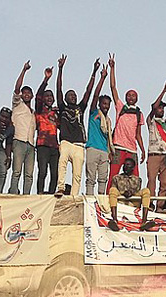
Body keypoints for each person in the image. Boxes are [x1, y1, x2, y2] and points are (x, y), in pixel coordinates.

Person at [54, 56, 98, 197]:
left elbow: (88, 92)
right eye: (70, 95)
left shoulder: (80, 108)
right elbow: (59, 89)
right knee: (62, 165)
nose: (73, 97)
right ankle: (60, 188)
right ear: (66, 99)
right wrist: (60, 69)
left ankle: (74, 195)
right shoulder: (62, 107)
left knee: (77, 173)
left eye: (74, 95)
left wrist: (94, 72)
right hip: (66, 142)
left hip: (79, 145)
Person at [106, 54, 145, 183]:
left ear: (137, 98)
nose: (131, 97)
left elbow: (138, 134)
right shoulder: (120, 107)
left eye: (133, 96)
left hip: (132, 148)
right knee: (113, 174)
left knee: (135, 177)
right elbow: (113, 87)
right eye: (129, 95)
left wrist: (143, 149)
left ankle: (133, 201)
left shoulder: (139, 113)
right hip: (118, 147)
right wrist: (112, 68)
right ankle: (108, 197)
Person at [10, 60, 37, 195]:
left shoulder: (33, 112)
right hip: (19, 140)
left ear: (32, 96)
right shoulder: (17, 105)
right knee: (16, 171)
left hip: (30, 144)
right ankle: (13, 192)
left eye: (28, 93)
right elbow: (16, 88)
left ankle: (26, 195)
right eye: (24, 93)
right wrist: (24, 70)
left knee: (29, 173)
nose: (26, 95)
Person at [85, 65, 112, 195]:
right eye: (104, 103)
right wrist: (102, 77)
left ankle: (100, 202)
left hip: (104, 151)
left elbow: (109, 139)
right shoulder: (94, 113)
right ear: (100, 104)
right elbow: (95, 95)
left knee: (103, 179)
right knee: (91, 179)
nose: (106, 106)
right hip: (92, 148)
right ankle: (90, 200)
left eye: (108, 104)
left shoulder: (108, 122)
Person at [107, 157, 152, 232]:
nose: (125, 167)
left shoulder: (138, 179)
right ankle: (114, 220)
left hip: (133, 201)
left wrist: (132, 192)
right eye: (124, 165)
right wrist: (123, 193)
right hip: (121, 200)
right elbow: (114, 191)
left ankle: (144, 221)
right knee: (112, 190)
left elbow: (137, 190)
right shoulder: (116, 178)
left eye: (128, 165)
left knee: (146, 191)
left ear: (133, 167)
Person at [34, 67, 59, 195]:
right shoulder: (39, 110)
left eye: (51, 96)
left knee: (55, 173)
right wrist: (46, 79)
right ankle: (39, 193)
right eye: (47, 96)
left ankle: (51, 194)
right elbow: (38, 96)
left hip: (55, 146)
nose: (49, 98)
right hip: (42, 145)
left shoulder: (56, 113)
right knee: (42, 171)